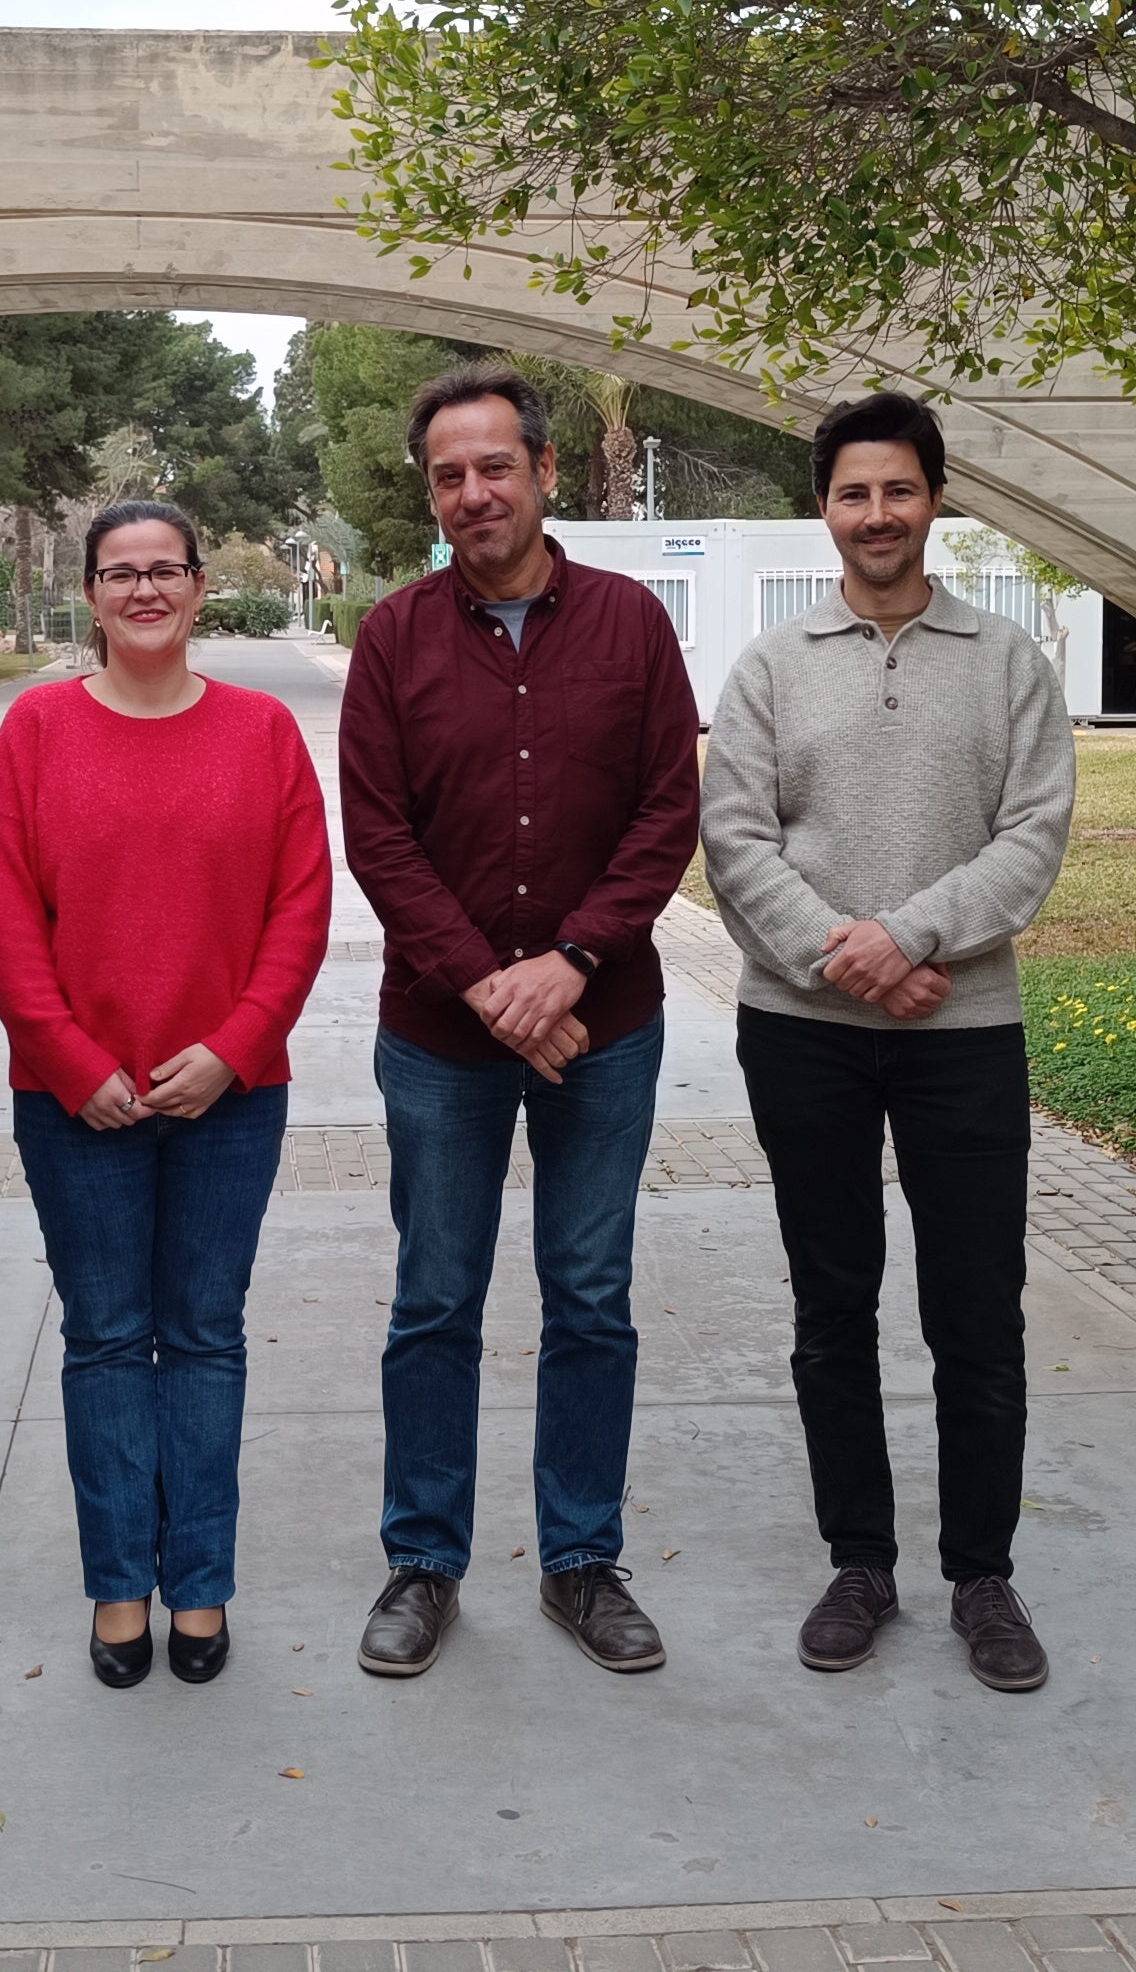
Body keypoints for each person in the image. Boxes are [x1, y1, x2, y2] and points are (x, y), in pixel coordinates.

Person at [699, 392, 1077, 1692]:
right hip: (803, 1032)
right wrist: (842, 957)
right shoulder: (767, 667)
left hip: (964, 1032)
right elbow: (733, 842)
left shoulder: (1010, 662)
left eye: (899, 491)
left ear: (935, 498)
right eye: (854, 494)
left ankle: (985, 1577)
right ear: (826, 508)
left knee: (979, 1317)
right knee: (833, 1306)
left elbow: (1032, 838)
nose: (877, 515)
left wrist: (906, 941)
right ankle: (861, 1561)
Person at [339, 360, 703, 1680]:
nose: (474, 492)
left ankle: (581, 1563)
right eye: (450, 474)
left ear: (546, 473)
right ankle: (424, 1563)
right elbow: (378, 837)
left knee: (590, 1299)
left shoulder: (631, 627)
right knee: (435, 1301)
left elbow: (669, 811)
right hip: (442, 1041)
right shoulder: (391, 640)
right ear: (431, 493)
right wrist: (496, 988)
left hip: (606, 1030)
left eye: (496, 466)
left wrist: (573, 964)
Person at [0, 500, 332, 1689]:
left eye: (163, 570)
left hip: (229, 1097)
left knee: (206, 1337)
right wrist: (71, 1061)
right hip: (79, 1104)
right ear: (89, 593)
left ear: (195, 587)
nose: (143, 591)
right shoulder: (33, 730)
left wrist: (234, 1044)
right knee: (109, 1340)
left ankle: (203, 1586)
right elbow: (5, 914)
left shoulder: (263, 731)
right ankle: (119, 1581)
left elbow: (299, 906)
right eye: (118, 573)